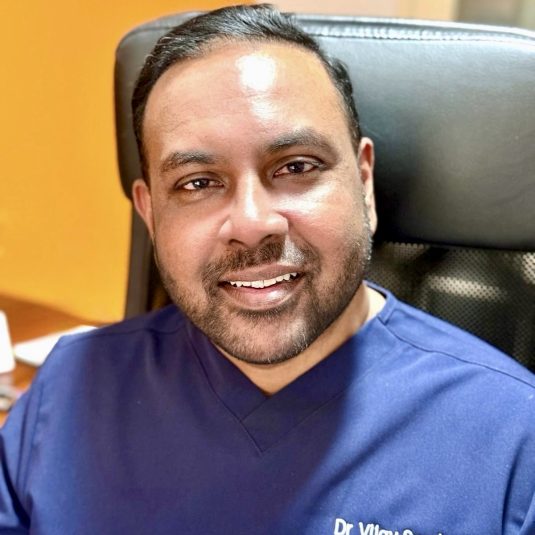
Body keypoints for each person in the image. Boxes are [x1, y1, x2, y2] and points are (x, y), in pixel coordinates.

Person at [1, 4, 534, 534]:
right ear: (150, 214)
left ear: (364, 183)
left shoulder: (513, 444)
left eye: (296, 166)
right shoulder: (72, 389)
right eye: (197, 182)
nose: (252, 224)